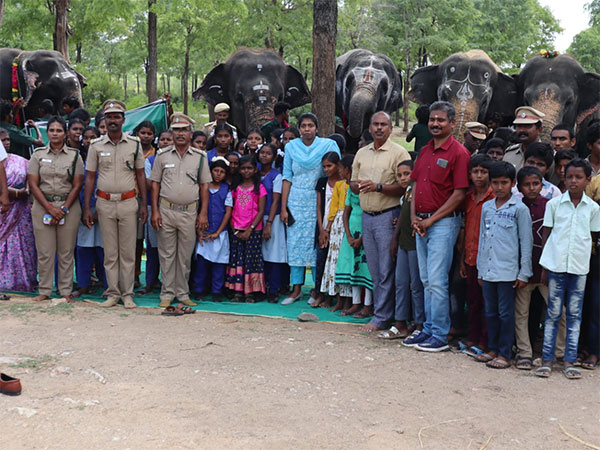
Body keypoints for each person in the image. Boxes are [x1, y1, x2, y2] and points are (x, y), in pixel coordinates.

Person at [403, 101, 470, 351]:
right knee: (426, 279)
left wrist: (430, 220)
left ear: (452, 123)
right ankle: (429, 329)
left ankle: (440, 335)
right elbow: (415, 185)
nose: (435, 124)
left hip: (443, 224)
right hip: (420, 221)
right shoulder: (425, 151)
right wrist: (414, 218)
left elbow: (459, 194)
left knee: (437, 280)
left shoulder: (459, 153)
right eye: (432, 119)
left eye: (441, 120)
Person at [536, 159, 600, 379]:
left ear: (587, 180)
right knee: (553, 313)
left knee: (575, 314)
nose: (573, 181)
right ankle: (547, 360)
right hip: (556, 266)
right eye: (570, 177)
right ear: (564, 178)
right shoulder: (554, 204)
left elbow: (591, 238)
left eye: (579, 177)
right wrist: (545, 265)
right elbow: (546, 234)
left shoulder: (593, 208)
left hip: (579, 268)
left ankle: (569, 361)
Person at [83, 99, 148, 308]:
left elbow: (140, 175)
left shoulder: (135, 144)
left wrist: (144, 204)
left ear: (123, 119)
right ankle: (113, 293)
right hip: (104, 202)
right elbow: (90, 177)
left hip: (129, 202)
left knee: (128, 251)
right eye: (109, 117)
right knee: (110, 252)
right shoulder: (96, 146)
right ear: (104, 119)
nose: (113, 120)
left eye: (116, 116)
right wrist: (87, 207)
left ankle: (127, 294)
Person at [350, 111, 410, 333]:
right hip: (367, 216)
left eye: (383, 124)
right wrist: (359, 186)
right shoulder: (361, 153)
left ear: (391, 127)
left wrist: (378, 187)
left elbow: (405, 185)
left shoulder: (399, 152)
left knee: (386, 270)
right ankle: (384, 313)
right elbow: (353, 183)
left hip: (388, 215)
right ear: (370, 126)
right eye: (375, 124)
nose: (379, 128)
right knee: (375, 269)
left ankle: (383, 317)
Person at [475, 161, 532, 369]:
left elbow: (526, 242)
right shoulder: (487, 207)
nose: (499, 187)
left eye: (504, 183)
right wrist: (480, 269)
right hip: (488, 270)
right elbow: (483, 238)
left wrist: (524, 273)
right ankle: (492, 348)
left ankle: (505, 353)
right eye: (496, 183)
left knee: (505, 313)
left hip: (508, 272)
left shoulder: (519, 209)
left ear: (513, 183)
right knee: (490, 311)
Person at [150, 113, 210, 309]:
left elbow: (204, 187)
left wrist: (202, 214)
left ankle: (183, 293)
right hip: (166, 210)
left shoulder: (200, 157)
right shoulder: (162, 155)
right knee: (167, 254)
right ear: (171, 133)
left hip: (189, 212)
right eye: (176, 130)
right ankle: (167, 293)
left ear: (191, 133)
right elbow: (155, 184)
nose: (180, 134)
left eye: (184, 130)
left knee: (184, 256)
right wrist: (155, 212)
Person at [280, 113, 340, 304]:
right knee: (295, 244)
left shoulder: (328, 146)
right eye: (303, 126)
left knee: (317, 245)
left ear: (316, 127)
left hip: (319, 200)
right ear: (299, 128)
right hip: (295, 201)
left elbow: (337, 172)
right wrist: (283, 207)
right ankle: (296, 289)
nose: (307, 129)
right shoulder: (291, 147)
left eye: (310, 125)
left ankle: (317, 289)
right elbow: (287, 177)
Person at [513, 166, 566, 370]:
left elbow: (555, 238)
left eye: (536, 184)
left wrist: (549, 268)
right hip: (524, 271)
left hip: (547, 270)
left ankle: (557, 352)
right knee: (521, 313)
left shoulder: (550, 206)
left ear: (542, 185)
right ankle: (524, 352)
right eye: (527, 184)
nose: (532, 188)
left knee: (558, 312)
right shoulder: (516, 207)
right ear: (519, 187)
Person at [28, 116, 84, 302]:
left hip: (68, 207)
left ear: (65, 133)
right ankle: (44, 290)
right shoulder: (37, 155)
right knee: (45, 251)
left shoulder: (75, 156)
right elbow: (33, 184)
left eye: (59, 130)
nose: (55, 134)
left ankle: (65, 290)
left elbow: (77, 185)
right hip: (43, 207)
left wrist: (64, 209)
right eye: (51, 130)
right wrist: (50, 207)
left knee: (66, 251)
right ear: (47, 132)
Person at [456, 154, 495, 357]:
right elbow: (466, 228)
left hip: (488, 259)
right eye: (475, 172)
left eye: (483, 172)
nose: (479, 176)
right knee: (472, 301)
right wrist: (463, 258)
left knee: (487, 302)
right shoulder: (469, 198)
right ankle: (472, 337)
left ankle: (485, 341)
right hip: (471, 256)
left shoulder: (495, 197)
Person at [381, 159, 423, 339]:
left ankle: (420, 323)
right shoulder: (406, 192)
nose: (403, 178)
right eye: (399, 175)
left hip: (415, 242)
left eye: (406, 173)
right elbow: (402, 216)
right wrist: (394, 239)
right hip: (404, 242)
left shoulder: (418, 189)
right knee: (401, 283)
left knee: (416, 285)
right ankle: (400, 323)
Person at [225, 155, 267, 302]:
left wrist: (250, 229)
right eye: (243, 168)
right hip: (236, 228)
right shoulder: (235, 188)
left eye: (249, 168)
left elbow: (261, 211)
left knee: (252, 260)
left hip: (253, 230)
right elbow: (231, 209)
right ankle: (237, 291)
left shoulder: (259, 188)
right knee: (237, 259)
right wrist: (235, 230)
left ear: (255, 170)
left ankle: (250, 292)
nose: (246, 171)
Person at [335, 158, 373, 319]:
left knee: (366, 268)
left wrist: (363, 238)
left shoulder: (369, 190)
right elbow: (346, 212)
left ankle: (368, 305)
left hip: (367, 229)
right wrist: (349, 235)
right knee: (353, 267)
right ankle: (355, 302)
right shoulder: (351, 189)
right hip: (352, 229)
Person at [73, 126, 107, 298]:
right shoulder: (77, 159)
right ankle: (83, 284)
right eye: (85, 138)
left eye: (92, 137)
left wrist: (99, 210)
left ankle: (107, 283)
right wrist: (82, 209)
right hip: (82, 209)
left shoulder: (106, 158)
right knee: (84, 247)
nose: (88, 141)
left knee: (104, 247)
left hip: (104, 208)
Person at [0, 137, 37, 292]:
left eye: (7, 139)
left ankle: (22, 282)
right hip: (9, 202)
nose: (6, 142)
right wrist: (14, 193)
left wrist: (6, 196)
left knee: (22, 242)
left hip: (16, 209)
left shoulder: (20, 161)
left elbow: (0, 167)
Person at [192, 157, 232, 300]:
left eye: (222, 171)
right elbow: (197, 208)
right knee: (202, 264)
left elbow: (228, 212)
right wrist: (199, 230)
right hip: (204, 233)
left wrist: (218, 232)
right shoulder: (203, 188)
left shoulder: (227, 189)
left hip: (220, 234)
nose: (218, 174)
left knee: (219, 265)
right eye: (215, 170)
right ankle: (199, 290)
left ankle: (217, 291)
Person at [321, 154, 353, 312]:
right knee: (335, 261)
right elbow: (333, 207)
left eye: (341, 169)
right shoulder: (340, 185)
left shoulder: (355, 186)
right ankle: (338, 299)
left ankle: (348, 301)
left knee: (346, 262)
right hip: (337, 226)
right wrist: (328, 227)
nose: (339, 172)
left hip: (350, 224)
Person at [312, 152, 342, 308]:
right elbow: (318, 207)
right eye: (324, 167)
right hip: (323, 226)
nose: (326, 169)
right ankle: (320, 294)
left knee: (334, 262)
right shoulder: (322, 182)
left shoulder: (344, 183)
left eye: (329, 166)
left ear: (338, 165)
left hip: (338, 228)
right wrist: (322, 230)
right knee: (321, 261)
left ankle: (333, 297)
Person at [258, 144, 287, 303]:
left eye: (268, 153)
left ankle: (274, 289)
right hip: (255, 218)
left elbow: (276, 200)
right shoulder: (255, 172)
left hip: (272, 218)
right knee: (260, 254)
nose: (264, 156)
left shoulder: (276, 176)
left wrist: (269, 223)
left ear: (274, 157)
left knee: (274, 253)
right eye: (262, 153)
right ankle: (261, 286)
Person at [133, 121, 156, 289]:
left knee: (141, 240)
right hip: (131, 198)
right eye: (143, 133)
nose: (146, 136)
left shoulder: (157, 155)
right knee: (132, 240)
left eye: (149, 133)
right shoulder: (131, 151)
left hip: (148, 201)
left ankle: (142, 276)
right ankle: (132, 275)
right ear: (137, 134)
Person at [503, 106, 545, 172]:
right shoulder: (509, 154)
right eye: (519, 126)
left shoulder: (547, 155)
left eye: (527, 126)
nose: (522, 130)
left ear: (539, 129)